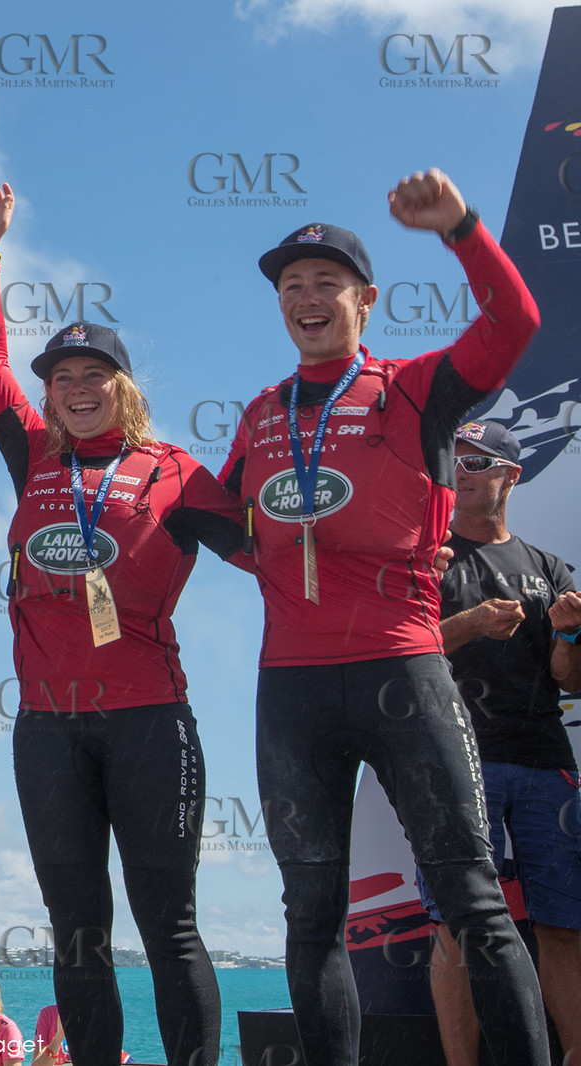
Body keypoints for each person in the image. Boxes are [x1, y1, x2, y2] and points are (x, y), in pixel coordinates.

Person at [219, 169, 550, 1064]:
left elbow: (515, 322)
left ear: (367, 299)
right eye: (291, 286)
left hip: (403, 668)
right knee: (310, 915)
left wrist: (463, 228)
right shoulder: (258, 415)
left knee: (474, 900)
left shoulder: (415, 389)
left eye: (326, 282)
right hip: (289, 688)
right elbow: (214, 520)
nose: (307, 297)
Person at [0, 185, 244, 1066]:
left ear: (124, 389)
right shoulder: (36, 456)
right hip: (48, 730)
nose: (76, 389)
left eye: (94, 376)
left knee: (170, 924)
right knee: (76, 928)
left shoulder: (176, 473)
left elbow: (272, 552)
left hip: (148, 722)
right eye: (62, 378)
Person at [419, 419, 581, 1066]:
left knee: (563, 925)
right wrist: (475, 624)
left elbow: (569, 681)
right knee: (454, 926)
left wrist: (568, 635)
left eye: (479, 460)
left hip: (544, 763)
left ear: (512, 475)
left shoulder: (548, 568)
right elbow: (404, 648)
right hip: (453, 759)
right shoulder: (426, 556)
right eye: (454, 457)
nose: (462, 469)